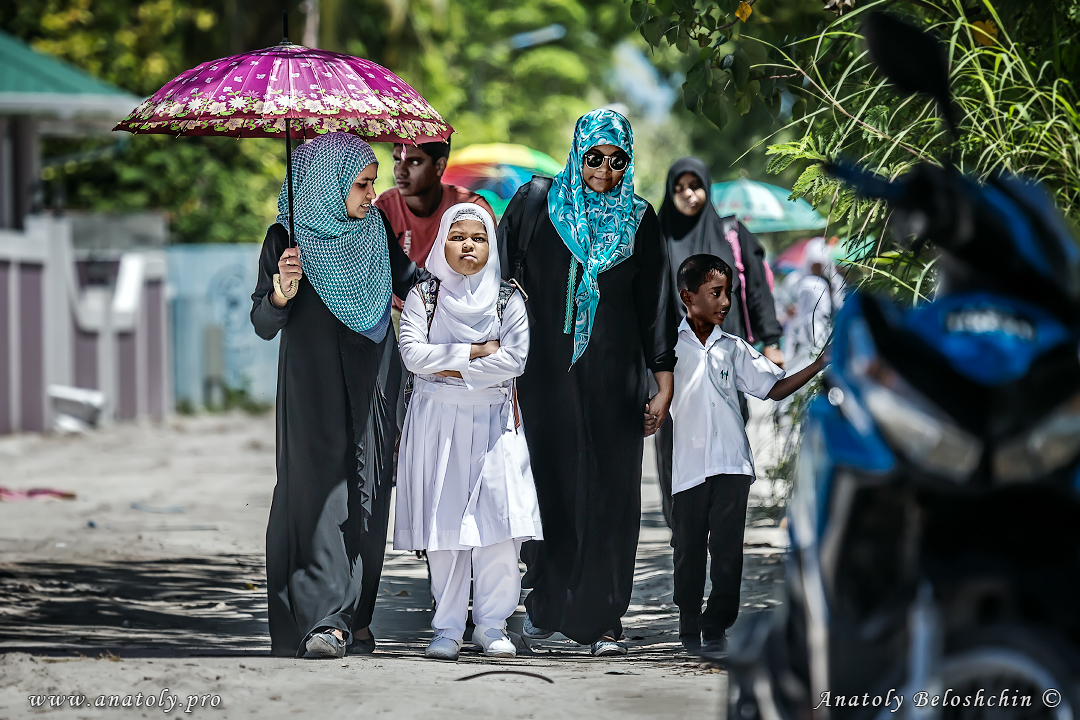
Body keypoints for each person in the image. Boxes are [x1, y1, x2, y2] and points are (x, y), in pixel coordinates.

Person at [496, 108, 677, 656]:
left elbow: (656, 310)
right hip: (544, 376)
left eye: (617, 160)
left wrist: (662, 384)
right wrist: (500, 373)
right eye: (594, 158)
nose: (604, 170)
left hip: (615, 381)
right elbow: (502, 285)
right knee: (548, 485)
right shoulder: (535, 205)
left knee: (610, 493)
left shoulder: (641, 219)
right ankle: (547, 604)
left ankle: (604, 617)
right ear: (577, 153)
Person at [250, 132, 426, 659]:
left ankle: (356, 616)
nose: (373, 195)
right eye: (362, 184)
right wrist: (282, 290)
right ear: (326, 187)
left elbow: (415, 282)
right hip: (313, 387)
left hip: (375, 382)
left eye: (373, 183)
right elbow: (262, 321)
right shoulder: (285, 237)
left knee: (370, 495)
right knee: (319, 493)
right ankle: (322, 620)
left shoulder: (374, 230)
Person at [395, 202, 542, 662]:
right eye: (458, 236)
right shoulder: (425, 296)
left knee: (499, 525)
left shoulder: (507, 298)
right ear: (442, 242)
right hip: (438, 424)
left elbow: (515, 360)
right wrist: (477, 351)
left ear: (490, 244)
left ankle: (493, 624)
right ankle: (447, 627)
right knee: (446, 526)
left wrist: (450, 364)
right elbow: (412, 355)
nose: (468, 246)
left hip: (496, 423)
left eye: (478, 238)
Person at [669, 254, 827, 654]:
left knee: (727, 553)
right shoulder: (669, 348)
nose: (725, 302)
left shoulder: (733, 348)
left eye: (729, 294)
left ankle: (716, 626)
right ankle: (688, 625)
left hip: (732, 465)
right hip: (687, 467)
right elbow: (653, 393)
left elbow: (773, 388)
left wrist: (820, 364)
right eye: (715, 293)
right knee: (687, 550)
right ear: (688, 297)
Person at [655, 157, 785, 527]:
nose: (687, 195)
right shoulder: (657, 235)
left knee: (728, 434)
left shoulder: (731, 234)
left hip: (725, 355)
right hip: (674, 360)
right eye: (678, 188)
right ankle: (682, 525)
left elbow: (757, 289)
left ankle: (723, 524)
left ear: (707, 188)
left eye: (694, 185)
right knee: (675, 441)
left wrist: (771, 340)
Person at [374, 141, 495, 299]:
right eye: (397, 160)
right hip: (398, 312)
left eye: (414, 161)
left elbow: (483, 275)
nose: (400, 171)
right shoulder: (383, 208)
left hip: (456, 308)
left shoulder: (471, 208)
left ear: (439, 166)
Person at [787, 237, 844, 374]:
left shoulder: (834, 283)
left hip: (824, 335)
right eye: (814, 263)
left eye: (820, 264)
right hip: (810, 337)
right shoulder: (805, 283)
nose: (817, 267)